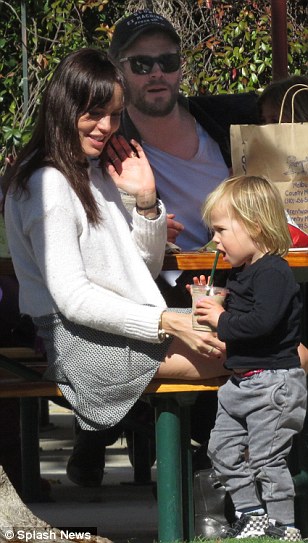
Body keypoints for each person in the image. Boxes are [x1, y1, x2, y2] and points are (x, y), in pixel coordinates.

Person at [64, 8, 260, 491]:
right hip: (159, 290)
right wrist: (142, 219)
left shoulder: (221, 120)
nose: (157, 73)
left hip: (235, 277)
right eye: (141, 64)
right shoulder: (104, 137)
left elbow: (285, 104)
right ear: (119, 72)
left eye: (167, 61)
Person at [2, 47, 231, 450]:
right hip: (80, 343)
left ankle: (227, 472)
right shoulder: (47, 184)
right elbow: (72, 299)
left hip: (123, 326)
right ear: (63, 107)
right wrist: (166, 321)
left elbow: (140, 266)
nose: (106, 126)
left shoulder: (94, 170)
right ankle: (233, 475)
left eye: (114, 113)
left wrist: (145, 200)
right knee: (255, 354)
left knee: (273, 343)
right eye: (93, 113)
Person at [195, 175, 307, 540]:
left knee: (266, 458)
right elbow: (246, 313)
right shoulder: (243, 271)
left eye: (221, 230)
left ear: (254, 226)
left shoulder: (274, 271)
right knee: (221, 450)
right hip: (241, 382)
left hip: (273, 384)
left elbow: (264, 321)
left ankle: (283, 525)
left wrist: (221, 318)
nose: (215, 239)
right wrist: (215, 301)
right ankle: (250, 512)